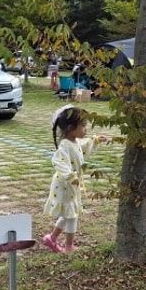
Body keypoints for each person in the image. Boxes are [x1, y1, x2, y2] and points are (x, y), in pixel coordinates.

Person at [42, 104, 109, 253]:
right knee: (72, 214)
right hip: (65, 184)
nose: (86, 129)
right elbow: (57, 161)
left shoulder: (74, 142)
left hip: (72, 184)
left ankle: (52, 238)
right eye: (83, 126)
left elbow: (83, 147)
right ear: (70, 128)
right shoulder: (65, 145)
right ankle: (69, 246)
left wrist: (95, 140)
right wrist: (70, 176)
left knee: (70, 212)